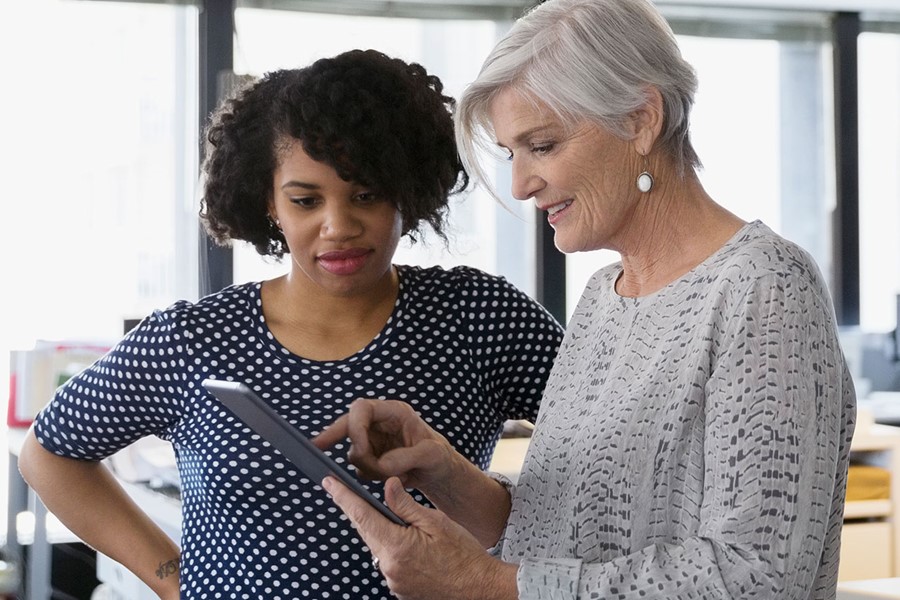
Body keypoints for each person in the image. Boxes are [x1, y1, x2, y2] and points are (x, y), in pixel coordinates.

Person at [313, 2, 858, 599]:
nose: (521, 186)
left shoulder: (763, 287)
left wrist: (487, 585)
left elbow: (759, 576)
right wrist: (444, 472)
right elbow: (568, 531)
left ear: (641, 119)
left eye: (542, 146)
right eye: (511, 154)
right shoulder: (605, 296)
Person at [18, 48, 565, 600]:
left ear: (407, 190)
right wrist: (173, 579)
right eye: (305, 200)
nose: (338, 226)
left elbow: (617, 460)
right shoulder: (195, 338)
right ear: (268, 202)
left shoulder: (478, 317)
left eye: (366, 195)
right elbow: (49, 453)